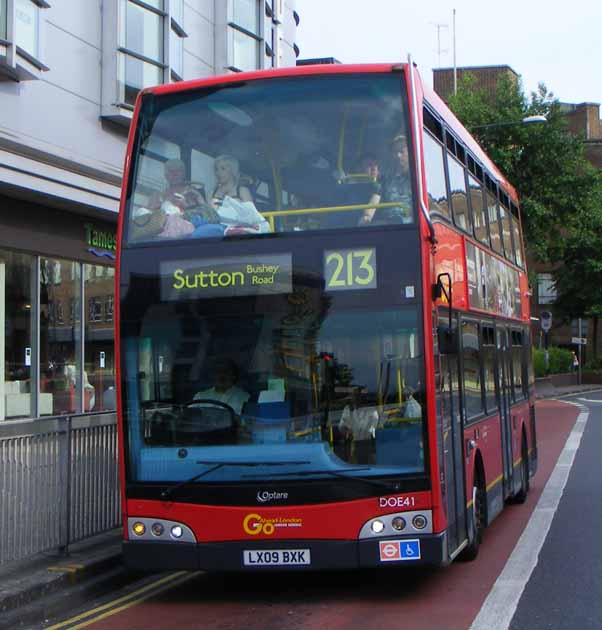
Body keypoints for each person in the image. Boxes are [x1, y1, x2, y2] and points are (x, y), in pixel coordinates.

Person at [358, 134, 413, 226]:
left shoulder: (417, 179)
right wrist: (366, 217)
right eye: (395, 152)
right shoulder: (385, 180)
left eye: (401, 151)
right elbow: (374, 200)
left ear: (410, 153)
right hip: (389, 223)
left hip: (410, 225)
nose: (398, 155)